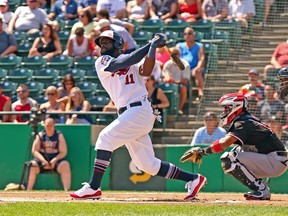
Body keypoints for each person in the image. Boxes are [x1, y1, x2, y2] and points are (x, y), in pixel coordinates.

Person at [70, 30, 207, 200]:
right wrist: (151, 44)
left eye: (107, 42)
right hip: (130, 114)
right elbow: (122, 62)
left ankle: (93, 187)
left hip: (138, 110)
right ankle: (193, 179)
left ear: (118, 44)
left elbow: (147, 70)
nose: (103, 45)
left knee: (104, 139)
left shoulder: (131, 62)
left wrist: (153, 49)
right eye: (101, 42)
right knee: (147, 164)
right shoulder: (103, 61)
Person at [184, 93, 287, 200]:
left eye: (226, 108)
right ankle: (260, 187)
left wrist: (203, 152)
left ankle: (261, 189)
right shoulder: (245, 120)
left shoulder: (243, 122)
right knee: (236, 151)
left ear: (236, 107)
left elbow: (224, 143)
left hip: (275, 161)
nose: (224, 111)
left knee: (229, 158)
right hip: (275, 159)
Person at [27, 118, 71, 190]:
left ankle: (66, 190)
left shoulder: (59, 135)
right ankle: (28, 190)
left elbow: (63, 152)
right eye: (47, 125)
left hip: (55, 160)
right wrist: (44, 161)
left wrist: (53, 161)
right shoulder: (40, 135)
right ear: (44, 125)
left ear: (54, 126)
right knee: (32, 165)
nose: (49, 127)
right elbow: (34, 151)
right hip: (42, 160)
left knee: (65, 164)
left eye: (51, 125)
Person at [176, 27, 205, 101]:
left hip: (193, 68)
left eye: (189, 33)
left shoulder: (199, 46)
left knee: (198, 72)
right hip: (182, 68)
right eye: (185, 34)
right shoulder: (179, 46)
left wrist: (198, 67)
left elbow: (201, 58)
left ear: (194, 35)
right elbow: (175, 58)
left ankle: (200, 93)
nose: (187, 35)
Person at [162, 47, 191, 115]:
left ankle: (180, 108)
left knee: (183, 88)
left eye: (176, 53)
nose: (174, 55)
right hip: (170, 83)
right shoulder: (167, 64)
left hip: (180, 84)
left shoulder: (185, 64)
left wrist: (174, 82)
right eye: (172, 54)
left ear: (179, 54)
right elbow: (166, 76)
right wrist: (169, 80)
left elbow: (185, 80)